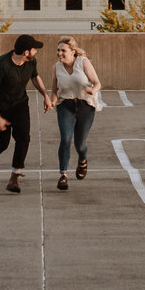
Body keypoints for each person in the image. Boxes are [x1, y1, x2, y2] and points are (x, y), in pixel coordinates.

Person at [0, 34, 51, 193]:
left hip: (19, 104)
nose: (36, 52)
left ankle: (15, 177)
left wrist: (46, 96)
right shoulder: (1, 66)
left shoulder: (31, 61)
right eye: (34, 49)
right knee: (3, 142)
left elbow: (35, 77)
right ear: (26, 52)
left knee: (23, 138)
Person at [49, 35, 102, 190]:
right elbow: (54, 90)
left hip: (85, 105)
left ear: (73, 52)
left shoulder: (83, 62)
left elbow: (98, 83)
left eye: (63, 51)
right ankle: (63, 175)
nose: (59, 53)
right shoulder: (56, 67)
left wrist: (92, 90)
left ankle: (82, 160)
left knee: (80, 145)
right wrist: (51, 102)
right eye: (58, 50)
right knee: (65, 139)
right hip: (65, 105)